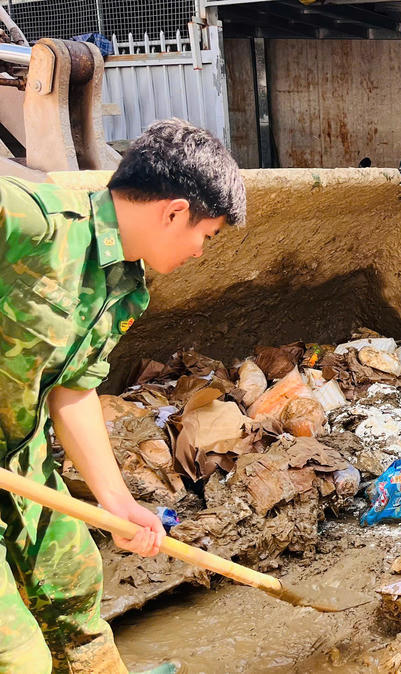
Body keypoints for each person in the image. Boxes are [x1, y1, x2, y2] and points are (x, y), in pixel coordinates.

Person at [0, 119, 246, 673]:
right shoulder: (33, 222)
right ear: (174, 211)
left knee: (75, 596)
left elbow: (73, 388)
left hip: (22, 468)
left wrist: (115, 502)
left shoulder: (124, 285)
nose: (202, 252)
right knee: (18, 658)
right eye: (207, 235)